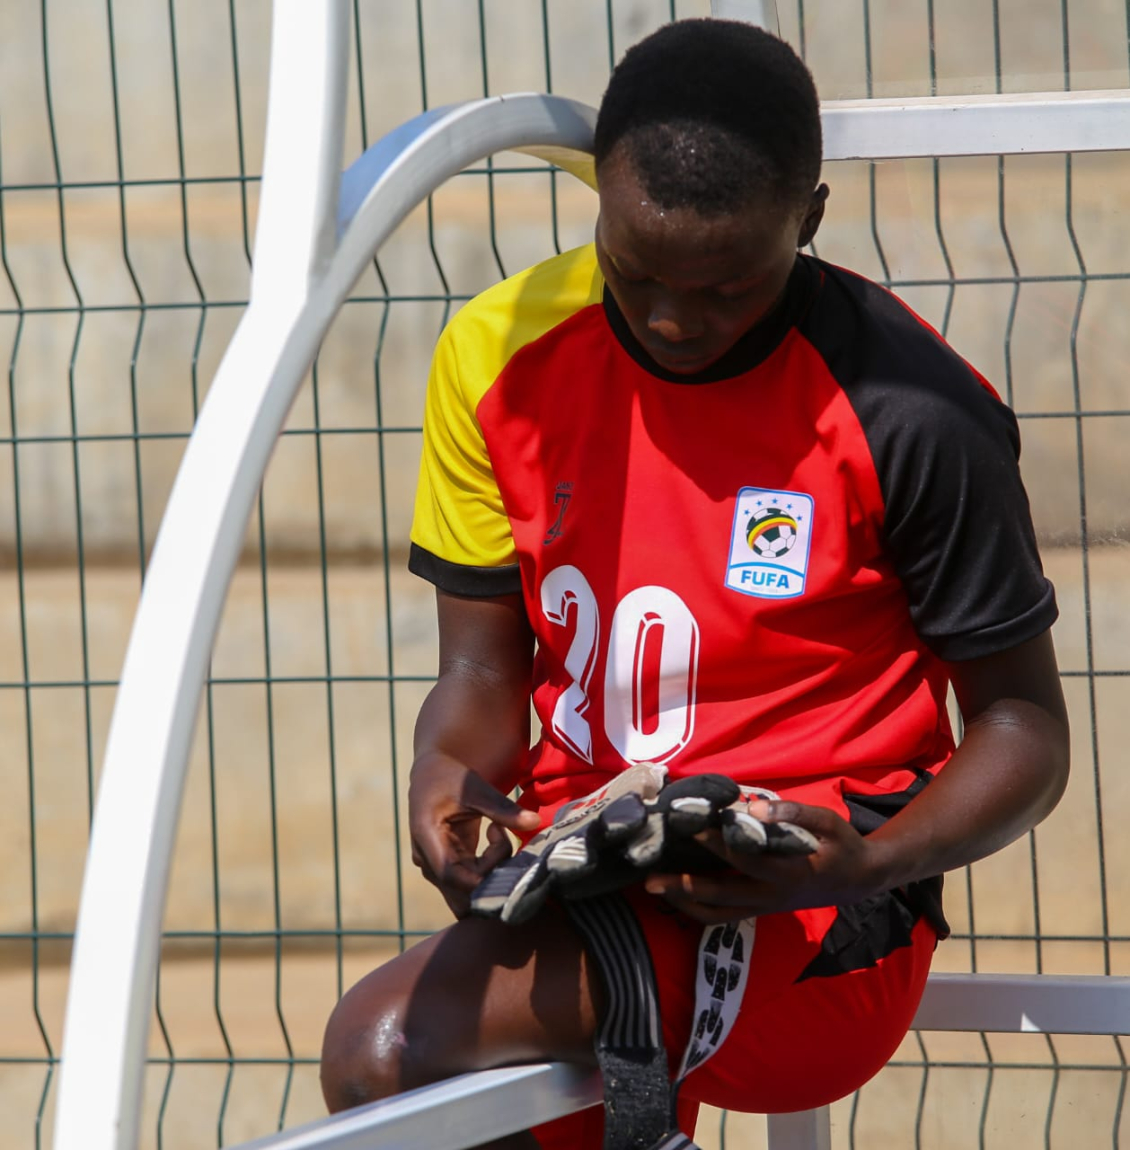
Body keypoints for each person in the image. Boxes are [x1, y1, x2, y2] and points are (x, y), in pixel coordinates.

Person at [320, 18, 1069, 1149]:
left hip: (819, 905)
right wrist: (446, 771)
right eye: (634, 272)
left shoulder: (911, 409)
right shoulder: (495, 354)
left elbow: (1025, 730)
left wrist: (870, 859)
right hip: (586, 868)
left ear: (806, 221)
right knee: (451, 1088)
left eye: (725, 286)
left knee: (386, 1052)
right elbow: (479, 672)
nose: (672, 317)